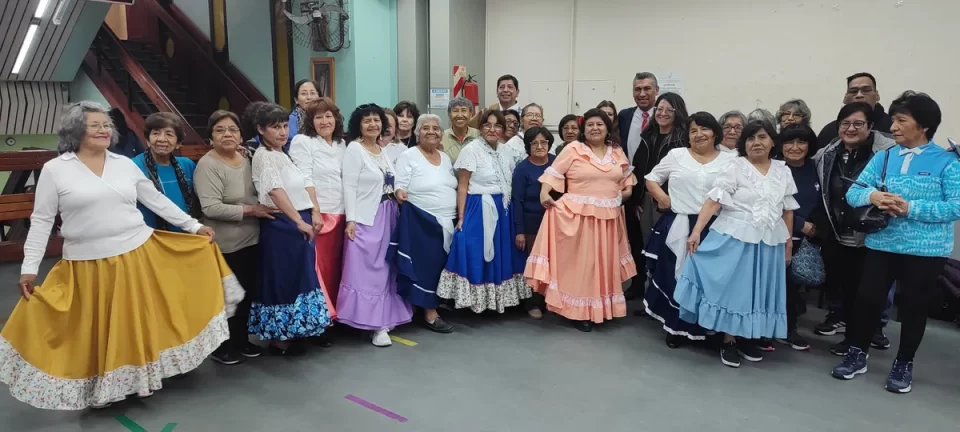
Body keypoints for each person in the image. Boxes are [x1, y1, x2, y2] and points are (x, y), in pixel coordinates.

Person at [3, 101, 240, 410]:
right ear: (75, 131)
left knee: (135, 322)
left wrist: (193, 226)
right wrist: (29, 268)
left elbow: (155, 200)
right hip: (87, 264)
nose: (104, 130)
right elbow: (42, 220)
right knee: (98, 328)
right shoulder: (55, 169)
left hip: (135, 255)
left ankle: (140, 382)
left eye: (107, 125)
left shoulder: (123, 164)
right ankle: (103, 387)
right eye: (95, 125)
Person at [832, 91, 958, 394]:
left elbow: (956, 205)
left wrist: (910, 208)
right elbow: (854, 193)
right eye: (895, 120)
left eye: (902, 121)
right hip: (882, 244)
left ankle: (904, 363)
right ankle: (857, 354)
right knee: (867, 301)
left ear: (924, 125)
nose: (895, 127)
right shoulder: (884, 156)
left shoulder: (947, 162)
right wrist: (874, 195)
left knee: (914, 307)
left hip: (925, 251)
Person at [674, 120, 798, 368]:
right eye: (750, 139)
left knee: (758, 291)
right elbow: (714, 201)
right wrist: (697, 231)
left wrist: (788, 242)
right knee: (735, 290)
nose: (756, 143)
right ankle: (728, 339)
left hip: (769, 242)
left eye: (762, 137)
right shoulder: (735, 166)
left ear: (773, 141)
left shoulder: (783, 170)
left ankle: (747, 337)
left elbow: (788, 210)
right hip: (735, 237)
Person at [525, 108, 638, 332]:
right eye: (590, 125)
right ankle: (580, 311)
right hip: (577, 218)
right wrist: (544, 193)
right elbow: (553, 173)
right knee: (582, 266)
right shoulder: (573, 149)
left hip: (608, 218)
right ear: (583, 129)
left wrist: (621, 195)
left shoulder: (616, 152)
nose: (595, 128)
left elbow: (627, 180)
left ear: (607, 128)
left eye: (599, 124)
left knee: (602, 265)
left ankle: (601, 308)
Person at [642, 112, 736, 347]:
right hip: (680, 224)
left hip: (716, 228)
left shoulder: (730, 160)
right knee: (677, 277)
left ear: (715, 132)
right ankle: (676, 326)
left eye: (704, 129)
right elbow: (651, 178)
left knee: (709, 281)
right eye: (693, 130)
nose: (698, 134)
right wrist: (662, 197)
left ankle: (707, 327)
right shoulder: (677, 155)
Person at [812, 102, 897, 355]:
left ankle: (861, 342)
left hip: (874, 237)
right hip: (841, 236)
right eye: (845, 124)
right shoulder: (828, 155)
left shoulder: (886, 155)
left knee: (869, 294)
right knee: (848, 291)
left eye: (858, 124)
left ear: (870, 127)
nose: (851, 129)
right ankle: (851, 340)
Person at [195, 110, 279, 365]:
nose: (227, 134)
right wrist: (252, 210)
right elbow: (210, 208)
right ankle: (221, 347)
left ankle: (241, 340)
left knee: (246, 294)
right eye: (220, 130)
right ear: (210, 137)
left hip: (252, 239)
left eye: (232, 129)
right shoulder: (208, 165)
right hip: (225, 244)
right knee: (226, 297)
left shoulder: (248, 158)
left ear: (241, 135)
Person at [249, 103, 333, 355]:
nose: (282, 132)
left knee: (299, 278)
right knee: (283, 279)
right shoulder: (264, 156)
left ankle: (295, 330)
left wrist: (311, 211)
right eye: (275, 127)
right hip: (284, 225)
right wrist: (298, 220)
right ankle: (279, 338)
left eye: (285, 126)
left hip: (298, 219)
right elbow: (276, 191)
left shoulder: (282, 153)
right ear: (261, 129)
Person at [438, 109, 529, 313]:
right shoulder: (471, 150)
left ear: (503, 130)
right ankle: (472, 301)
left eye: (497, 125)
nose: (492, 129)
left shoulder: (507, 150)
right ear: (480, 128)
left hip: (504, 208)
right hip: (479, 206)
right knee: (472, 248)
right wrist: (461, 217)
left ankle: (498, 301)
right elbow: (463, 185)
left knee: (501, 252)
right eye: (487, 124)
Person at [338, 104, 414, 347]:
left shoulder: (381, 150)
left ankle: (384, 318)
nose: (373, 124)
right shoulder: (354, 149)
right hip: (366, 218)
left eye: (376, 120)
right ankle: (373, 324)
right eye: (367, 121)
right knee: (368, 270)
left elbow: (388, 182)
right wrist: (351, 219)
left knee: (386, 269)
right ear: (358, 125)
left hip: (389, 214)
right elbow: (348, 186)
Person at [288, 96, 348, 346]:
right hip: (319, 214)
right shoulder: (303, 142)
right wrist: (314, 211)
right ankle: (318, 322)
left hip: (342, 213)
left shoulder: (342, 144)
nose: (324, 121)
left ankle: (335, 317)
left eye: (328, 115)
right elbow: (305, 178)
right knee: (317, 270)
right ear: (310, 121)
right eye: (318, 117)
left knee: (336, 269)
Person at [391, 114, 457, 333]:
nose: (431, 132)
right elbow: (400, 184)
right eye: (426, 128)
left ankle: (435, 304)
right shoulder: (409, 155)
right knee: (427, 267)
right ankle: (429, 313)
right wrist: (400, 192)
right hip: (422, 221)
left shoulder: (445, 157)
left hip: (448, 220)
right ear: (417, 132)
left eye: (436, 128)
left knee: (441, 266)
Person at [625, 92, 689, 301]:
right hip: (645, 201)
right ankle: (649, 296)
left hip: (670, 203)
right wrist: (635, 200)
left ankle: (665, 298)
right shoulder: (648, 136)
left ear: (677, 112)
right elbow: (638, 170)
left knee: (667, 250)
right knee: (647, 247)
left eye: (668, 110)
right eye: (659, 109)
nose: (662, 113)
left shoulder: (683, 140)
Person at [778, 124, 822, 351]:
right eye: (789, 142)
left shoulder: (816, 168)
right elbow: (769, 203)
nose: (795, 147)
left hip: (807, 241)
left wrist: (813, 226)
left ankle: (788, 329)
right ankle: (778, 330)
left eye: (801, 142)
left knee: (795, 288)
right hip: (777, 236)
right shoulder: (775, 168)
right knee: (781, 287)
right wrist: (800, 224)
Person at [511, 126, 556, 320]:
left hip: (555, 223)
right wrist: (519, 230)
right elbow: (517, 201)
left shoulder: (556, 162)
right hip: (531, 224)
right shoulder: (523, 168)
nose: (539, 146)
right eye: (534, 143)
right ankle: (532, 303)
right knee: (535, 265)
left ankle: (550, 300)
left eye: (543, 142)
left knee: (554, 263)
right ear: (528, 146)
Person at [131, 112, 198, 231]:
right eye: (156, 133)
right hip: (149, 238)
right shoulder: (133, 166)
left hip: (186, 236)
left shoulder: (187, 165)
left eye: (169, 134)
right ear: (147, 139)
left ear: (178, 143)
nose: (162, 139)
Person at [817, 72, 893, 149]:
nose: (859, 95)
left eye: (866, 90)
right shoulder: (829, 132)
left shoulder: (893, 127)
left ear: (877, 95)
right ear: (845, 98)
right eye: (853, 91)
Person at [618, 72, 659, 160]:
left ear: (657, 90)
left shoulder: (663, 117)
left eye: (647, 89)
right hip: (629, 172)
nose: (642, 94)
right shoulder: (624, 116)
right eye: (637, 89)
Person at [441, 96, 480, 163]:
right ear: (449, 115)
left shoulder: (479, 135)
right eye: (455, 111)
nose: (460, 115)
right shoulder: (441, 137)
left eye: (464, 110)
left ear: (470, 114)